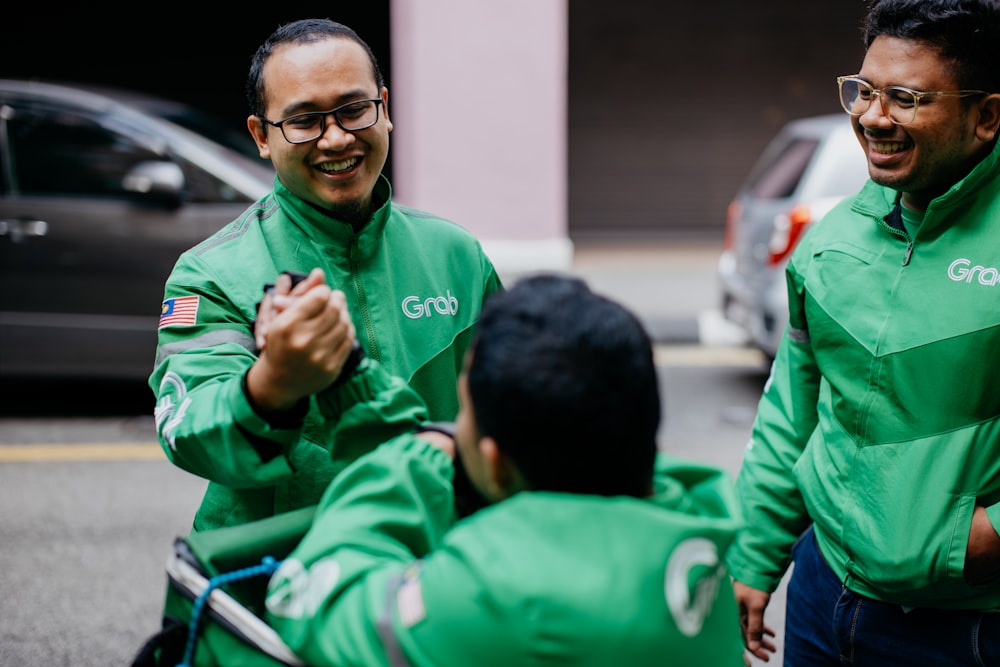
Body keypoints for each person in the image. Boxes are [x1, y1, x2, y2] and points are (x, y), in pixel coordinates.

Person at [263, 274, 746, 666]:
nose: (453, 425)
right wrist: (352, 375)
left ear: (495, 465)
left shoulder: (495, 598)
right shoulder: (697, 535)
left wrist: (419, 457)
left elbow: (309, 596)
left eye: (464, 411)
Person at [725, 1, 1000, 664]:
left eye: (905, 97)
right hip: (823, 592)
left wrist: (978, 537)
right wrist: (757, 552)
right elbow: (793, 410)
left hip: (964, 622)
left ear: (986, 115)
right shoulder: (833, 241)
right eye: (865, 90)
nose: (874, 117)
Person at [149, 18, 503, 532]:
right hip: (278, 576)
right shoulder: (211, 272)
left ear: (384, 108)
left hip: (441, 566)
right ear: (261, 136)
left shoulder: (457, 253)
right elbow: (188, 430)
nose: (335, 138)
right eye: (304, 120)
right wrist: (271, 384)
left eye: (354, 109)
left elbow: (514, 409)